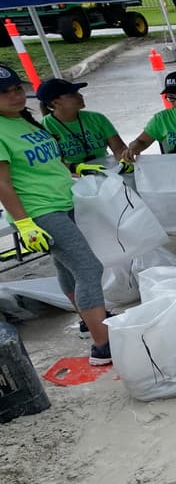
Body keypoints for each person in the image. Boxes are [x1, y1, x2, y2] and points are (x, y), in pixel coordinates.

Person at [0, 64, 111, 365]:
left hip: (62, 200)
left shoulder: (26, 121)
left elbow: (49, 162)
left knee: (68, 269)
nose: (14, 97)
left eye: (15, 89)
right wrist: (23, 223)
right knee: (89, 269)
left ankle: (90, 320)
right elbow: (2, 182)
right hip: (40, 211)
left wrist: (75, 170)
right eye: (4, 93)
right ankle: (104, 346)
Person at [36, 78, 129, 171]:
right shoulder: (43, 128)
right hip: (73, 178)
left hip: (106, 170)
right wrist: (78, 170)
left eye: (77, 92)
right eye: (72, 94)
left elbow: (119, 148)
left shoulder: (97, 118)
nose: (80, 96)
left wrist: (124, 161)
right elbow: (54, 164)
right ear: (56, 103)